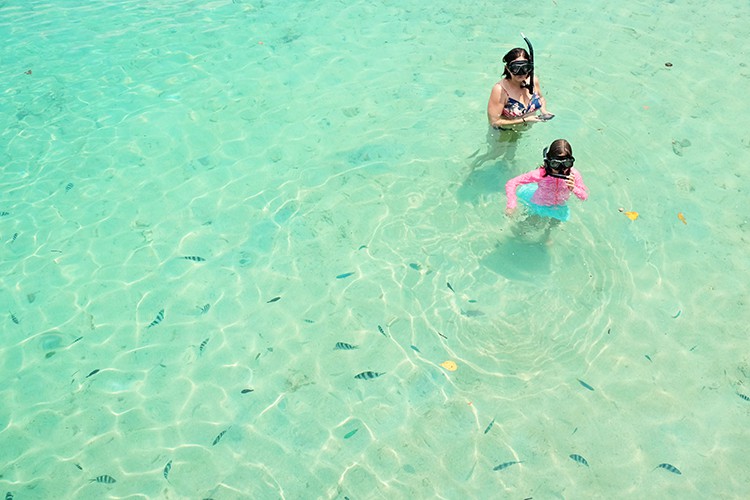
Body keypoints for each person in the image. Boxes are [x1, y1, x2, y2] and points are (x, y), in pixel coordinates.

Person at [504, 139, 588, 238]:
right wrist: (511, 204)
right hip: (539, 204)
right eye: (555, 164)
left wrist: (573, 188)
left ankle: (546, 237)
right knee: (524, 228)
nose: (560, 169)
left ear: (571, 162)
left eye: (566, 164)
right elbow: (512, 183)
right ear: (548, 161)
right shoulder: (541, 174)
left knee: (552, 226)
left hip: (560, 206)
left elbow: (584, 197)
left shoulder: (573, 175)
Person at [487, 47, 554, 130]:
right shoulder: (500, 90)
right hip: (505, 133)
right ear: (507, 68)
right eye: (515, 68)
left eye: (525, 67)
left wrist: (544, 111)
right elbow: (494, 122)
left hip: (526, 129)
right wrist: (523, 120)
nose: (521, 72)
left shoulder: (533, 80)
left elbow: (541, 98)